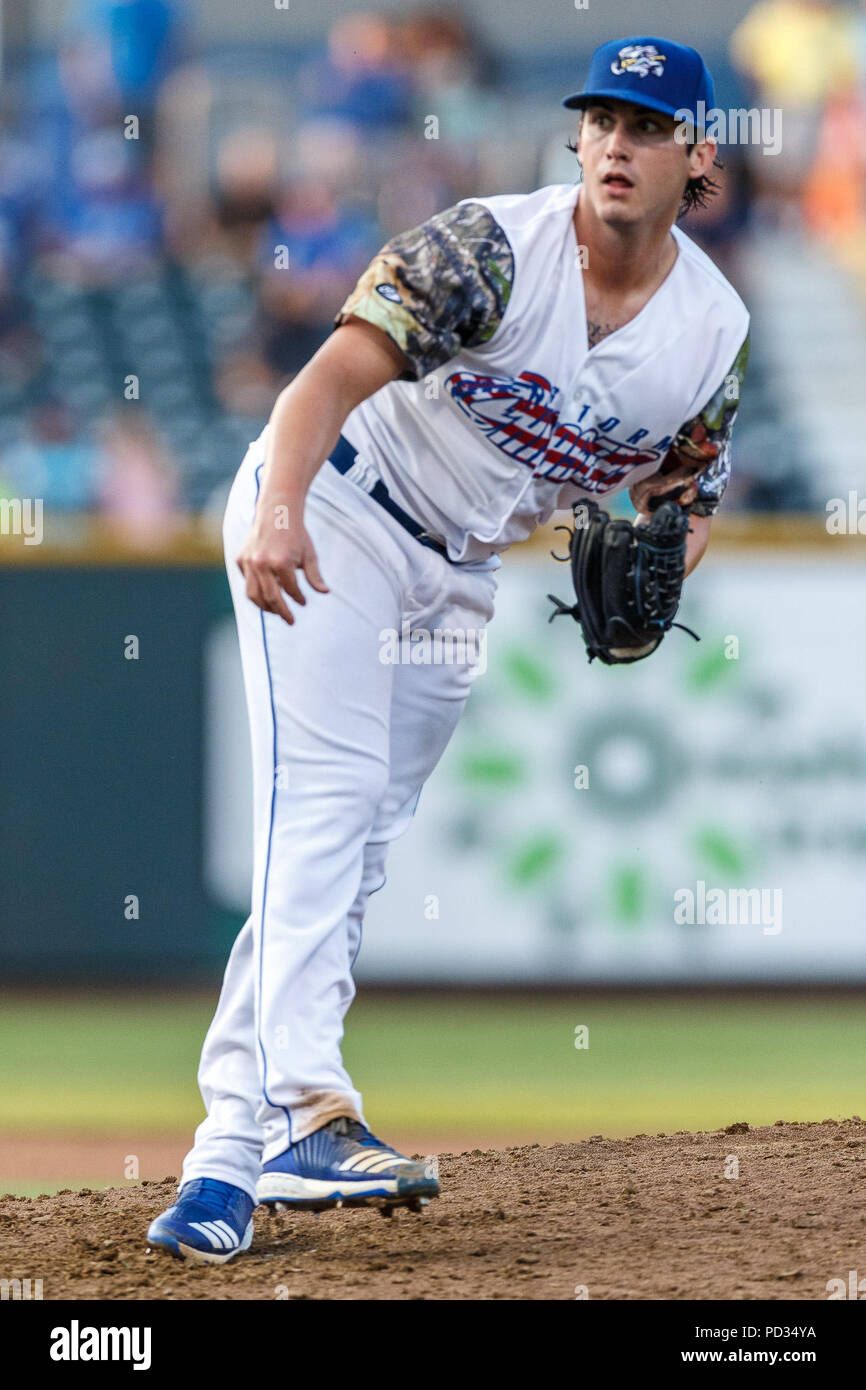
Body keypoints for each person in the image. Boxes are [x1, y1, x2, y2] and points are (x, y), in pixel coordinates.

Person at [147, 35, 750, 1263]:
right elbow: (320, 382)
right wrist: (272, 511)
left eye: (646, 127)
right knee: (317, 804)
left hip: (459, 573)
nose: (615, 145)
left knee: (351, 845)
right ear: (575, 136)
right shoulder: (487, 247)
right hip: (334, 508)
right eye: (600, 121)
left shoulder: (710, 328)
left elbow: (685, 500)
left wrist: (659, 568)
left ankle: (224, 1158)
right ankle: (306, 1112)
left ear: (697, 154)